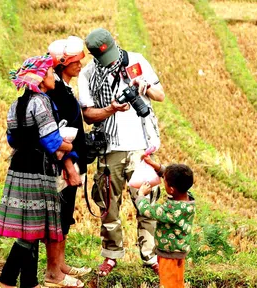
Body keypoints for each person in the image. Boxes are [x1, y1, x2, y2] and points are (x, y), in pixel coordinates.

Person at [78, 27, 165, 276]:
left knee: (145, 203)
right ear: (94, 55)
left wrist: (144, 86)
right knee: (108, 207)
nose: (113, 61)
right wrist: (111, 109)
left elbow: (160, 95)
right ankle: (111, 255)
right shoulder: (88, 74)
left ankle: (150, 256)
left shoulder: (137, 60)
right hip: (109, 148)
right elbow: (87, 114)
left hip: (141, 147)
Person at [0, 55, 81, 288]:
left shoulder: (16, 105)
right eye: (50, 73)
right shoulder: (41, 102)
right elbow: (51, 141)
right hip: (38, 171)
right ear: (41, 80)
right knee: (32, 230)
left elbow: (12, 139)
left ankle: (29, 283)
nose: (53, 76)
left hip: (19, 169)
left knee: (31, 229)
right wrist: (70, 146)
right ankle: (6, 281)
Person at [43, 36, 91, 286]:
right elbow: (60, 134)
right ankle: (53, 273)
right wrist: (69, 166)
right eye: (75, 61)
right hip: (64, 164)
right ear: (62, 64)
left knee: (65, 214)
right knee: (58, 216)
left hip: (73, 161)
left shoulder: (65, 88)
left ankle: (60, 264)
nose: (80, 64)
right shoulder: (58, 92)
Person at [137, 156, 195, 288]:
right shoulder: (188, 199)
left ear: (172, 189)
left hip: (168, 255)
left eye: (165, 182)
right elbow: (173, 178)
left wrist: (141, 195)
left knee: (168, 284)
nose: (164, 183)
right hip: (180, 252)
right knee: (177, 283)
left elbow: (147, 210)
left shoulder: (171, 210)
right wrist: (156, 166)